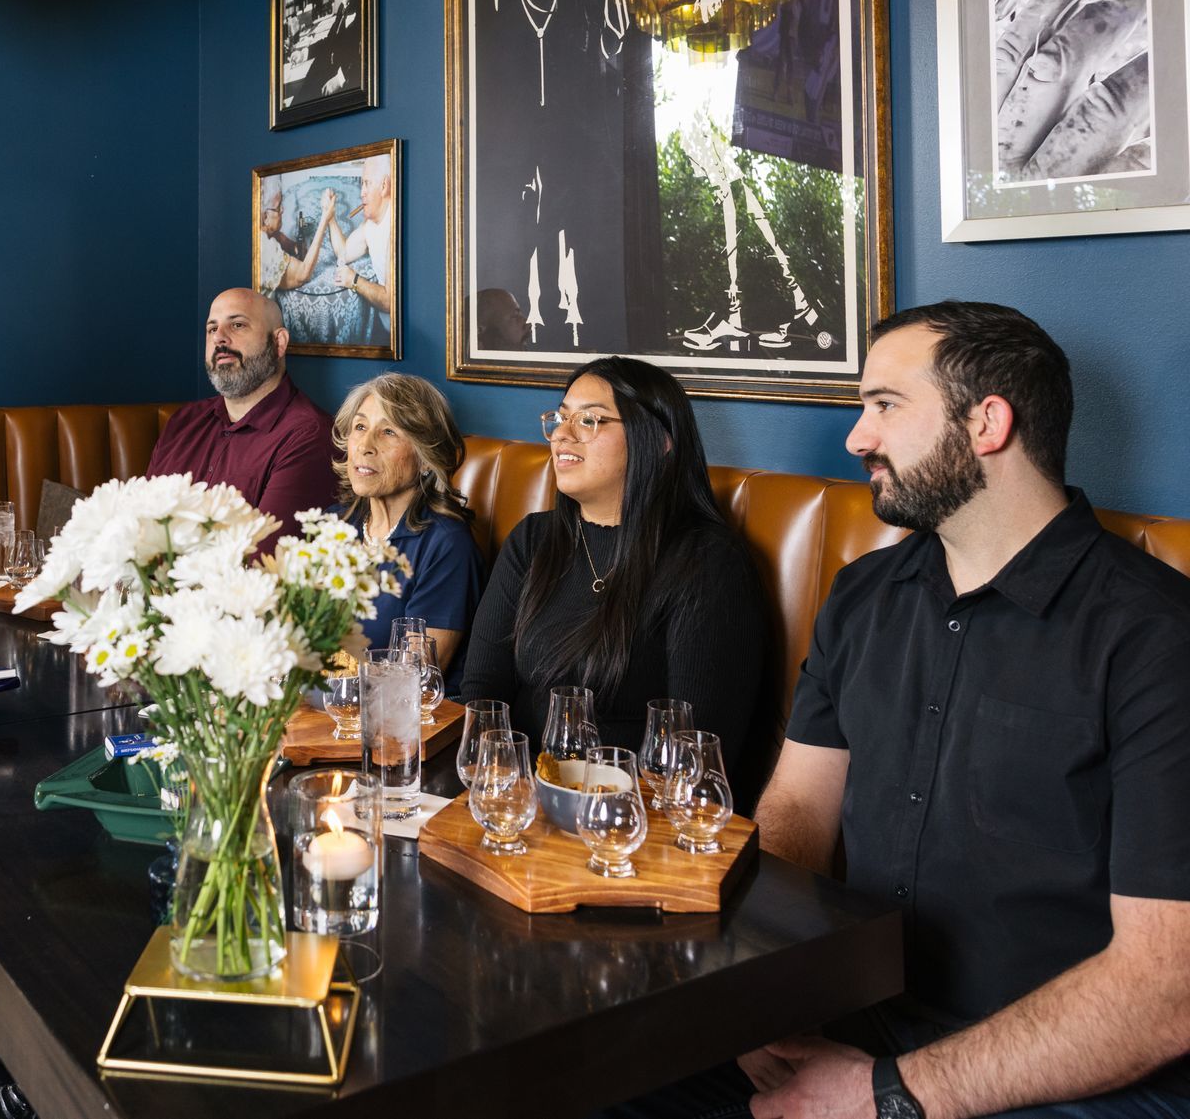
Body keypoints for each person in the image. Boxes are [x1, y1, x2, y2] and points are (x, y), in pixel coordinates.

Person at [732, 302, 1190, 1119]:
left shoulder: (1155, 635)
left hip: (1074, 1071)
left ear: (987, 423)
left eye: (885, 405)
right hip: (860, 1020)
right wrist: (756, 986)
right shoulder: (861, 597)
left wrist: (887, 1094)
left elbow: (1165, 989)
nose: (857, 437)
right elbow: (798, 807)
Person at [457, 357, 767, 782]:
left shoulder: (708, 562)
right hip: (517, 792)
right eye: (561, 418)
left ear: (659, 441)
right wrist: (500, 791)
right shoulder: (533, 539)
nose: (562, 434)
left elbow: (696, 754)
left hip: (632, 809)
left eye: (589, 420)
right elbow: (483, 695)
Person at [147, 287, 336, 552]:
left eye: (237, 325)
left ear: (279, 342)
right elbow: (142, 524)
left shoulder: (309, 437)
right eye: (212, 328)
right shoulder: (184, 422)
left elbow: (264, 558)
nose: (219, 338)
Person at [328, 374, 484, 694]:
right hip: (324, 704)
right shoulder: (333, 525)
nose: (365, 446)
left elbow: (411, 677)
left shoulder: (446, 545)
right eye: (360, 427)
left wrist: (318, 666)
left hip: (403, 716)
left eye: (388, 432)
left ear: (426, 458)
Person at [323, 151, 394, 332]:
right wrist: (330, 217)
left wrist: (354, 280)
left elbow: (390, 302)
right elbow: (343, 252)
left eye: (367, 183)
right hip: (385, 328)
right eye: (362, 184)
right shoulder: (370, 224)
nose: (361, 193)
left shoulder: (394, 227)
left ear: (384, 186)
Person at [303, 0, 362, 98]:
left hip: (350, 81)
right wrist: (304, 53)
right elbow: (330, 41)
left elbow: (366, 52)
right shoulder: (343, 6)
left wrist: (339, 79)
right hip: (334, 68)